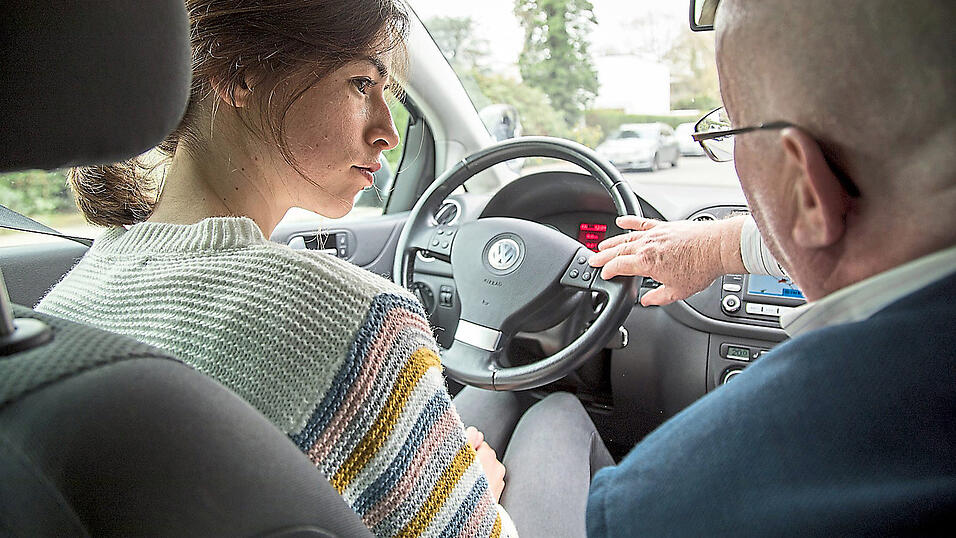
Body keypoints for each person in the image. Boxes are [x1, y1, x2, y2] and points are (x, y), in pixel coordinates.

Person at [34, 1, 534, 536]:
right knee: (552, 421)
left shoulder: (61, 306)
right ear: (241, 75)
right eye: (362, 84)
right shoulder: (355, 321)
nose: (388, 133)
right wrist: (474, 492)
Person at [586, 0, 956, 534]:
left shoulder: (660, 505)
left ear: (804, 187)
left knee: (551, 421)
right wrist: (720, 247)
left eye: (730, 133)